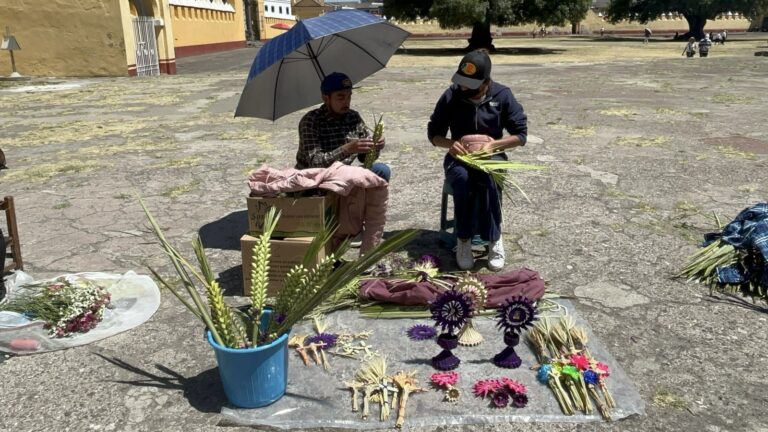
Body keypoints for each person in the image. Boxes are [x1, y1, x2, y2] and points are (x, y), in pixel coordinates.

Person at [427, 50, 528, 271]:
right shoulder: (451, 96)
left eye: (470, 86)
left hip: (492, 155)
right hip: (459, 157)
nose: (464, 89)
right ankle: (463, 240)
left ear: (486, 82)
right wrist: (450, 144)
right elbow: (433, 134)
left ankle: (494, 238)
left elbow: (520, 135)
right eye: (461, 83)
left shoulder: (502, 95)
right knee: (462, 179)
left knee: (490, 177)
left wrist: (493, 145)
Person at [296, 71, 390, 183]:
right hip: (315, 179)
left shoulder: (353, 117)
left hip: (344, 174)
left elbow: (363, 158)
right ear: (326, 99)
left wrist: (375, 145)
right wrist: (347, 149)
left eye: (349, 96)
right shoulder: (311, 121)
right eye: (340, 97)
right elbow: (315, 163)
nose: (346, 102)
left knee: (381, 170)